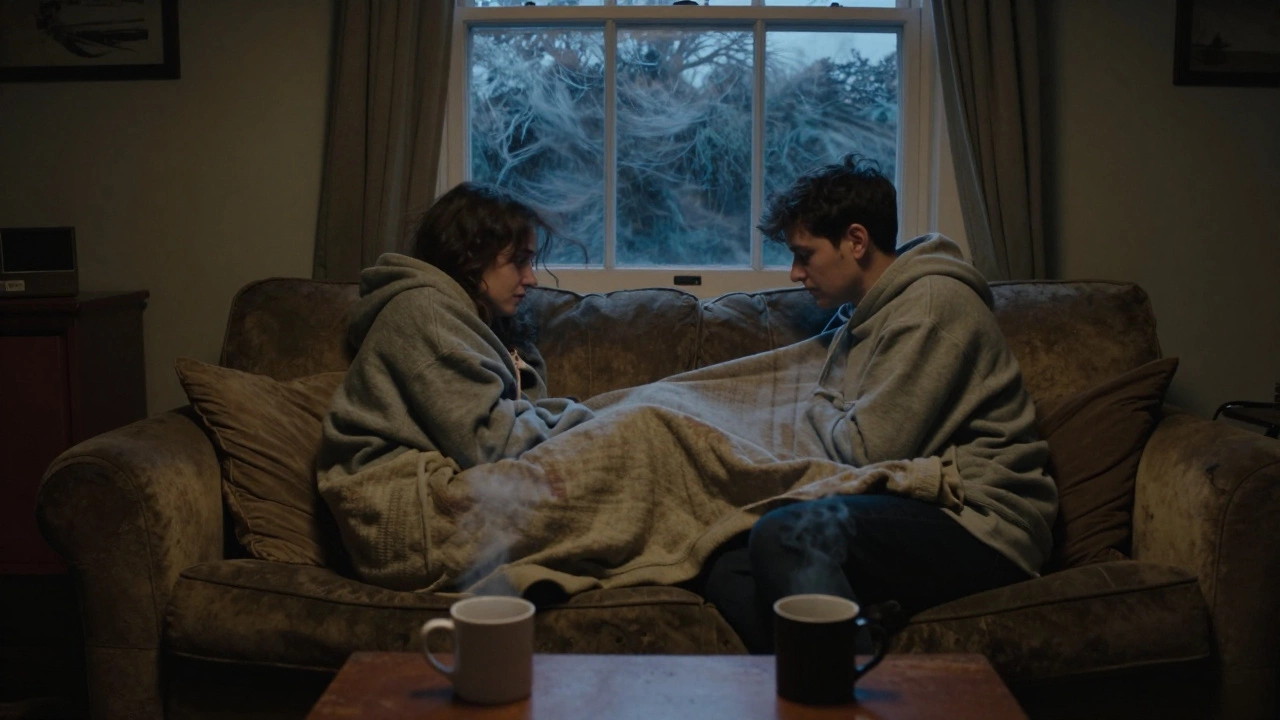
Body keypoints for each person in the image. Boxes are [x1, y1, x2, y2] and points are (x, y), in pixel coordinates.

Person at [699, 155, 1058, 653]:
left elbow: (868, 449)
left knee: (789, 534)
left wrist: (821, 398)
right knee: (722, 561)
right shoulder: (869, 314)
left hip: (984, 521)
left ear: (856, 241)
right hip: (917, 509)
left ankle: (850, 691)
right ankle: (849, 655)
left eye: (806, 255)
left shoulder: (931, 309)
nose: (794, 273)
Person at [318, 182, 595, 478]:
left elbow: (521, 420)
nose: (531, 278)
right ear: (469, 256)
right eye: (518, 261)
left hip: (456, 477)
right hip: (400, 486)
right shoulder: (423, 314)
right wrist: (588, 422)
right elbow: (489, 443)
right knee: (636, 425)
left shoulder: (486, 323)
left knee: (645, 406)